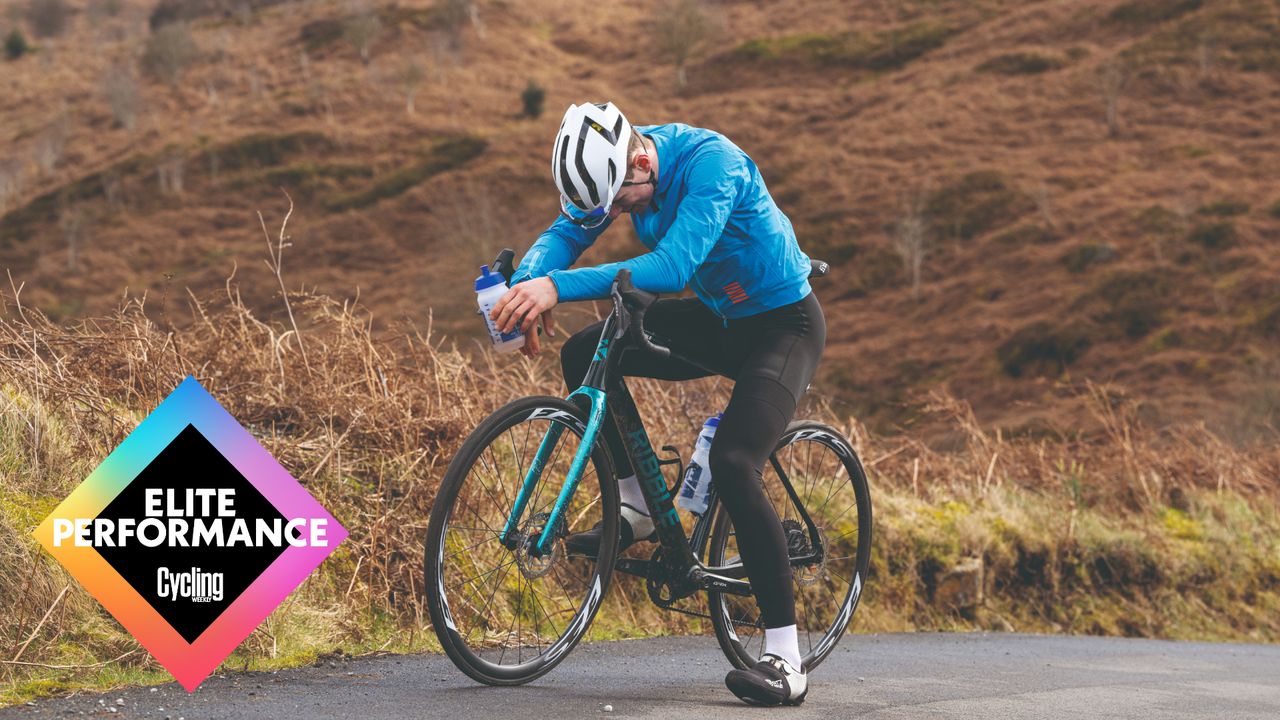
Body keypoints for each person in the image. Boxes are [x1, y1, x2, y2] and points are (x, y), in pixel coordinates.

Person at [490, 101, 825, 707]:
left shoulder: (712, 164)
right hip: (718, 319)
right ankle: (639, 498)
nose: (615, 213)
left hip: (782, 328)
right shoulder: (617, 172)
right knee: (587, 355)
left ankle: (784, 657)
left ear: (641, 159)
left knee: (733, 462)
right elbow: (569, 230)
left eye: (620, 201)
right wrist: (527, 285)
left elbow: (670, 268)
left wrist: (556, 287)